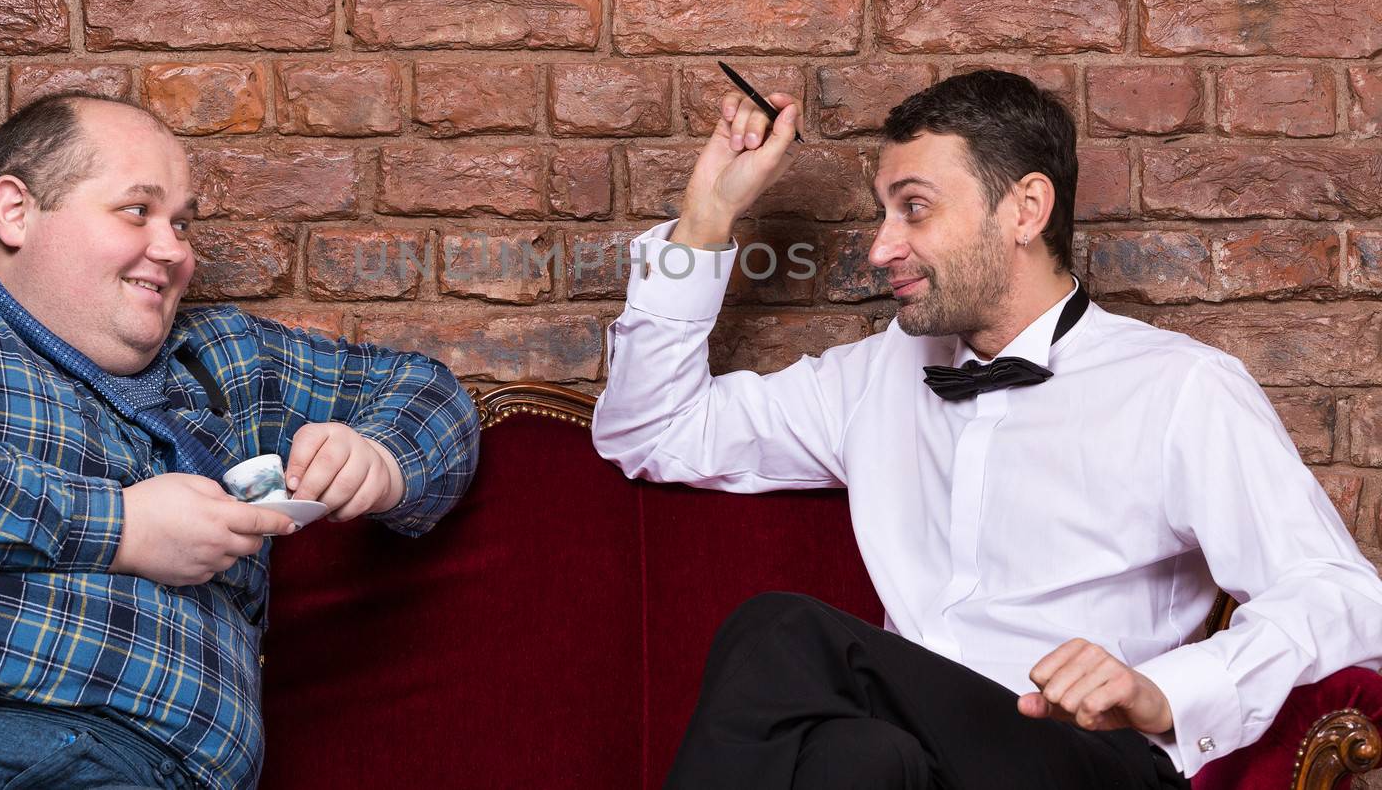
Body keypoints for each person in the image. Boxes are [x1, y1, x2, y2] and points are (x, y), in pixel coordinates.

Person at [592, 70, 1382, 790]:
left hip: (1086, 761)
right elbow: (653, 430)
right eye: (883, 210)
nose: (880, 246)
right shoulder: (875, 377)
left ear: (1025, 210)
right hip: (928, 752)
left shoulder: (1179, 388)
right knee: (857, 762)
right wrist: (707, 215)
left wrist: (1161, 691)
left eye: (915, 207)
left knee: (778, 630)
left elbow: (1345, 599)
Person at [0, 94, 480, 790]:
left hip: (138, 769)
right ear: (16, 211)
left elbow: (431, 395)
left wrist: (381, 459)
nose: (175, 248)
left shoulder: (223, 363)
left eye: (181, 222)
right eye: (138, 210)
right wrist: (123, 527)